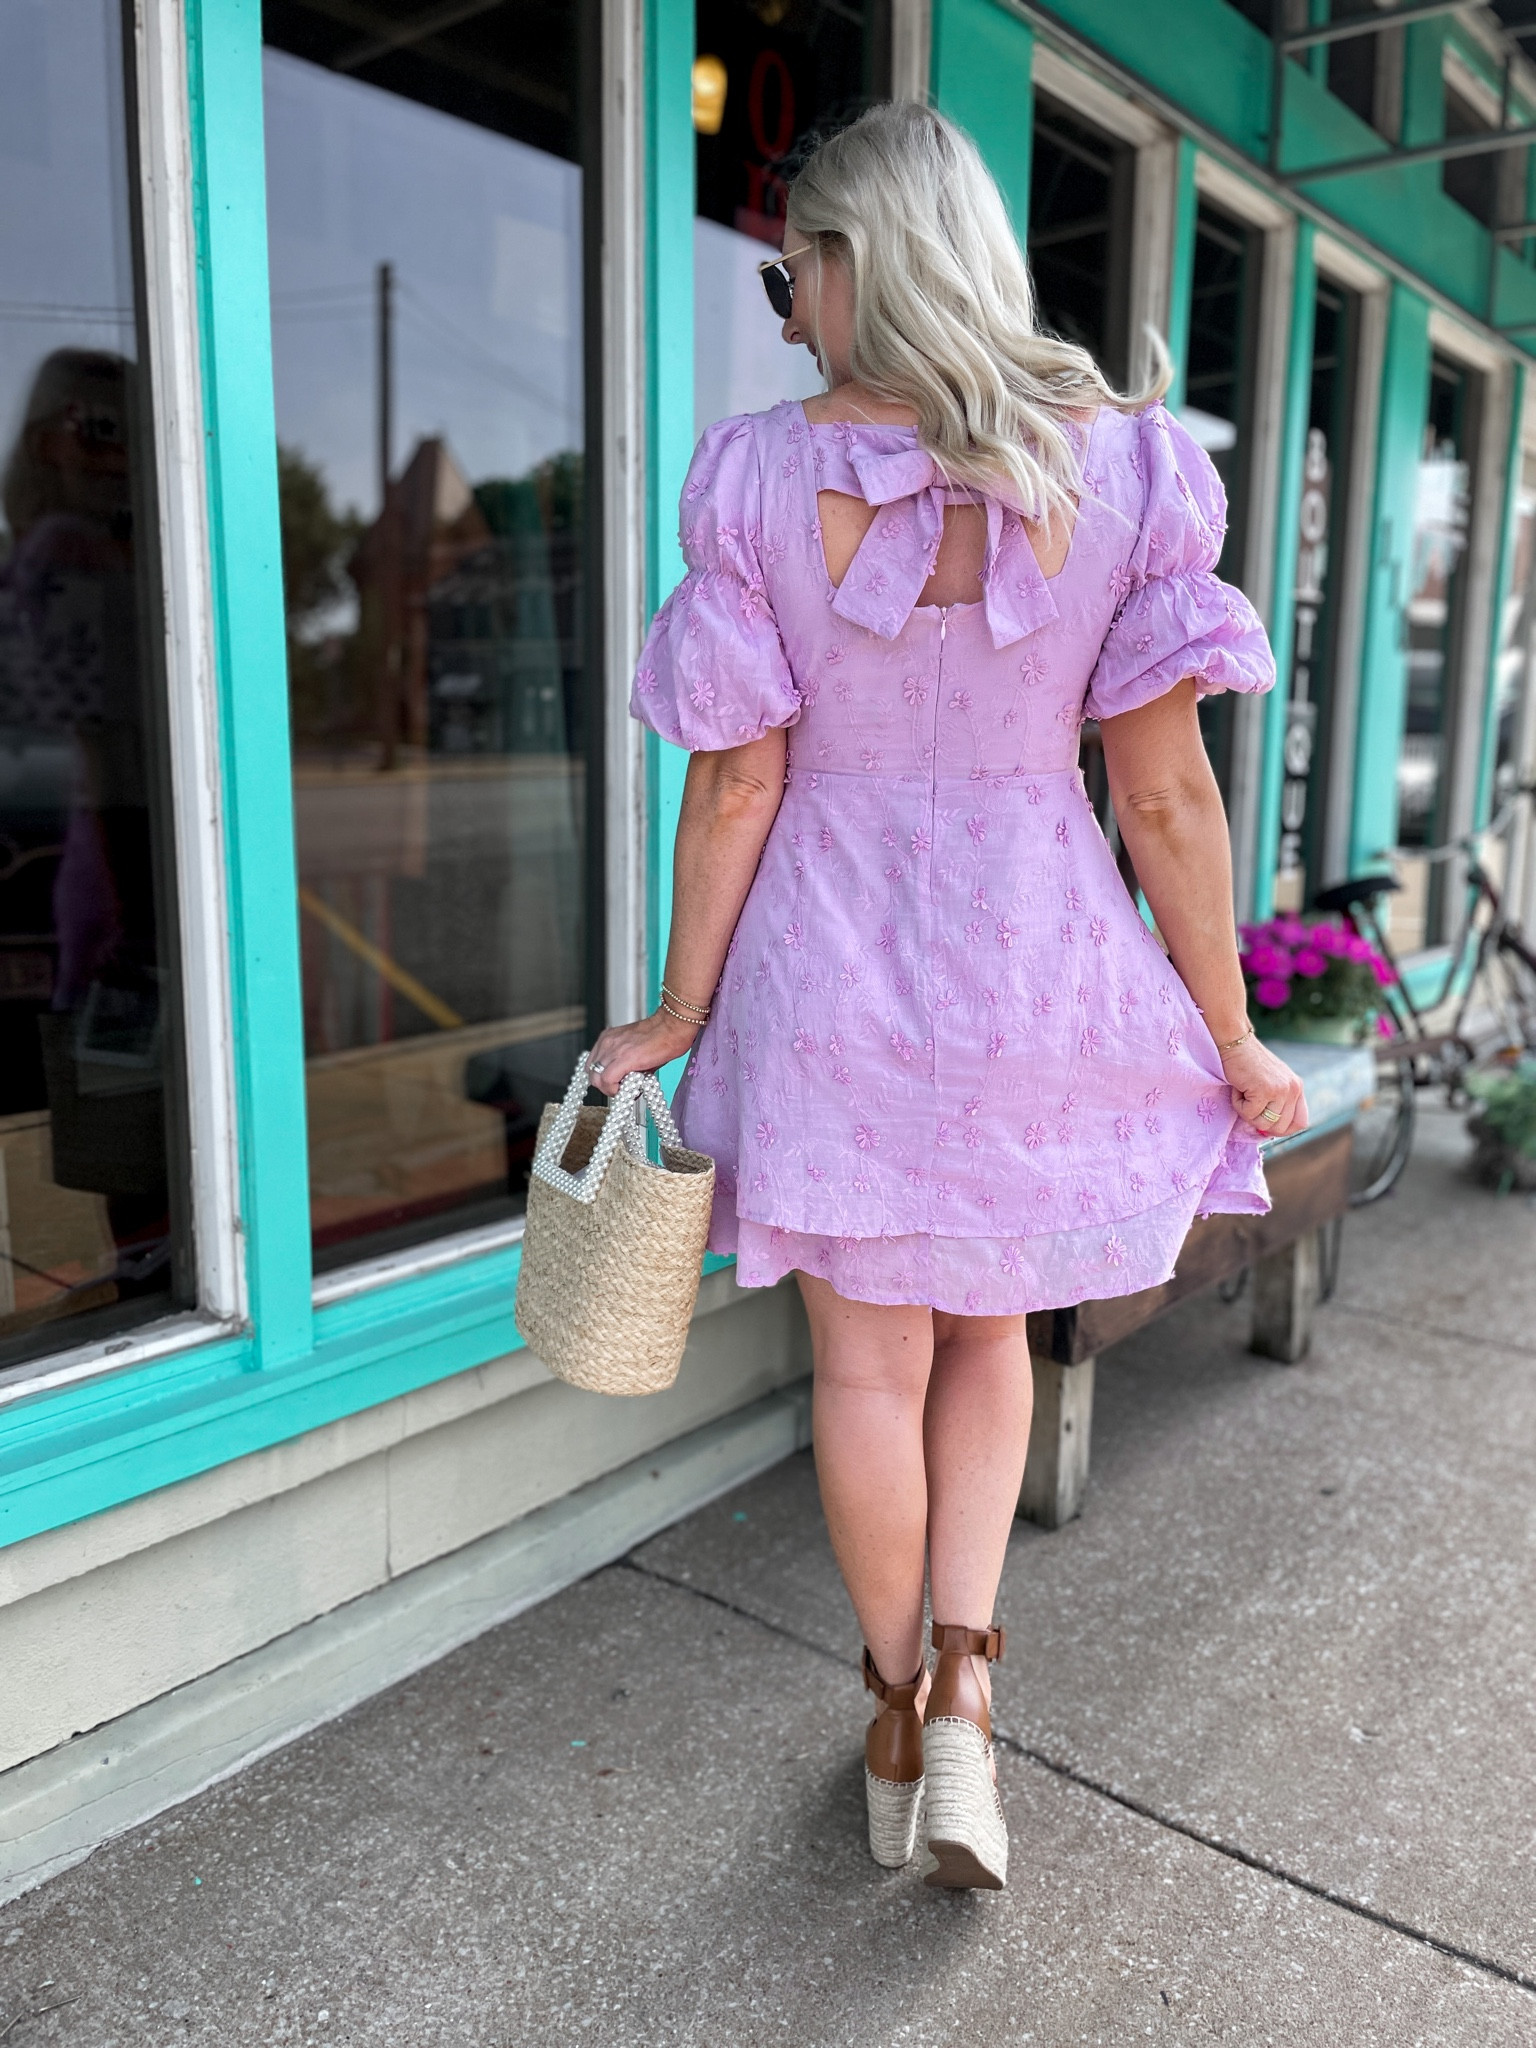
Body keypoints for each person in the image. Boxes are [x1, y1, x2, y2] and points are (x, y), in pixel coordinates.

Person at [588, 102, 1307, 1891]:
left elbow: (737, 784)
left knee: (865, 1360)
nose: (784, 314)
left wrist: (678, 1009)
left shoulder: (759, 478)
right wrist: (1227, 1033)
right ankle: (974, 1701)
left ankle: (899, 1711)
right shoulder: (1122, 471)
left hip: (826, 972)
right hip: (1029, 968)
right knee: (990, 1336)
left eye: (788, 278)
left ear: (857, 262)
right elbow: (1165, 798)